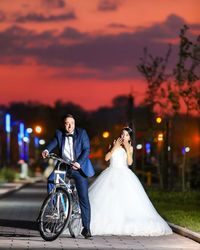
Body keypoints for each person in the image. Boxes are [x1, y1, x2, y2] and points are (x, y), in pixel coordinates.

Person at [89, 127, 172, 236]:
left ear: (129, 138)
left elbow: (129, 162)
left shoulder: (130, 147)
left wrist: (128, 150)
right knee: (110, 199)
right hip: (111, 173)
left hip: (124, 174)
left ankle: (125, 221)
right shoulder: (113, 143)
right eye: (122, 134)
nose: (124, 136)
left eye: (126, 135)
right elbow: (106, 158)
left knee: (125, 199)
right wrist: (114, 147)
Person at [42, 114, 95, 239]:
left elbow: (87, 150)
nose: (69, 125)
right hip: (64, 166)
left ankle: (86, 228)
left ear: (74, 123)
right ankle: (55, 208)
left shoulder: (82, 133)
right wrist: (46, 150)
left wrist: (79, 163)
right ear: (64, 124)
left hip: (78, 167)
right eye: (67, 123)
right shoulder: (59, 133)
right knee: (51, 180)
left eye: (72, 123)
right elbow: (52, 143)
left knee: (83, 198)